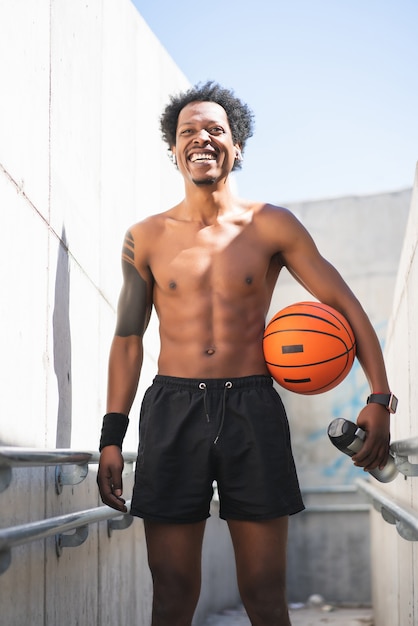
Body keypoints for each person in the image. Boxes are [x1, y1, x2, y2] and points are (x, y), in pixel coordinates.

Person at [97, 81, 395, 626]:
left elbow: (344, 304)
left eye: (215, 129)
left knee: (263, 595)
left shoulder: (271, 224)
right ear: (173, 150)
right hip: (172, 409)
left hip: (252, 408)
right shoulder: (144, 237)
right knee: (172, 595)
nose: (201, 139)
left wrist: (379, 395)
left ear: (238, 146)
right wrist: (111, 437)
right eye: (188, 131)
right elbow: (128, 338)